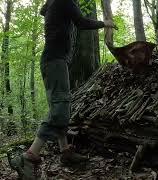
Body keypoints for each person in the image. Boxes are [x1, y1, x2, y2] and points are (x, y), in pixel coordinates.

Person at [10, 0, 116, 179]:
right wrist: (105, 23)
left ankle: (65, 151)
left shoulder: (53, 3)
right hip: (56, 62)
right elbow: (81, 23)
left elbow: (44, 11)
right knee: (60, 108)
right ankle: (30, 156)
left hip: (51, 61)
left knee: (59, 105)